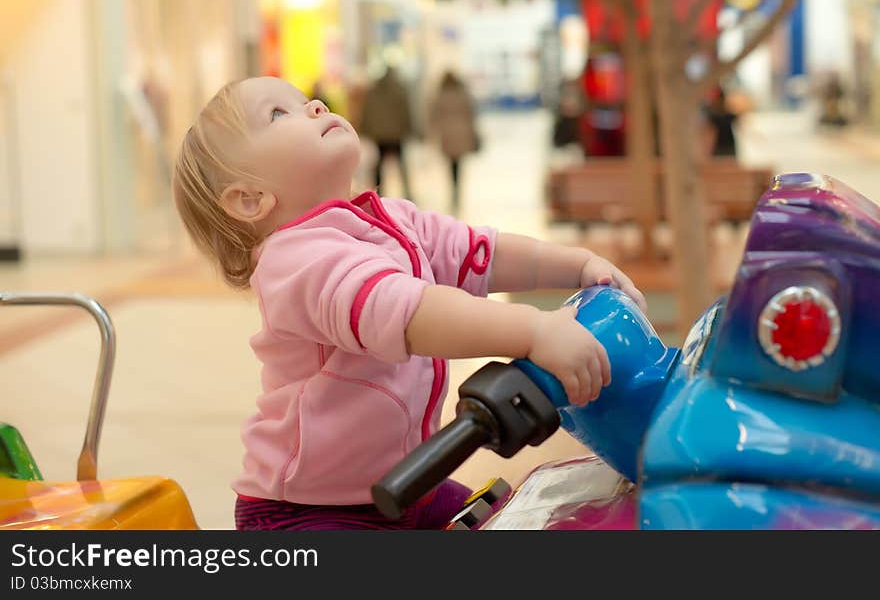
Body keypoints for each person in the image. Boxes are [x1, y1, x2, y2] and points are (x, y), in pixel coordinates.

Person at [172, 76, 648, 531]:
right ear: (250, 199)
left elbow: (482, 252)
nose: (314, 106)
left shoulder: (390, 220)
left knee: (522, 514)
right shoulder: (296, 262)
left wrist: (580, 265)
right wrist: (534, 330)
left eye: (305, 100)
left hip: (407, 488)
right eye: (278, 114)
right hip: (307, 512)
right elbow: (407, 312)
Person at [357, 66, 414, 199]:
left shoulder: (373, 90)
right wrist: (409, 129)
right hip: (396, 134)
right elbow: (406, 112)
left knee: (379, 166)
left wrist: (365, 129)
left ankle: (378, 193)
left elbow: (367, 111)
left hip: (380, 134)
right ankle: (407, 192)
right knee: (401, 165)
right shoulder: (400, 90)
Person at [428, 71, 480, 211]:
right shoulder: (463, 94)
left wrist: (432, 132)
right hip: (462, 133)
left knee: (451, 163)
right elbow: (471, 114)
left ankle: (453, 188)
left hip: (447, 135)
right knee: (459, 163)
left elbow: (433, 116)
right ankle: (457, 189)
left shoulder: (440, 95)